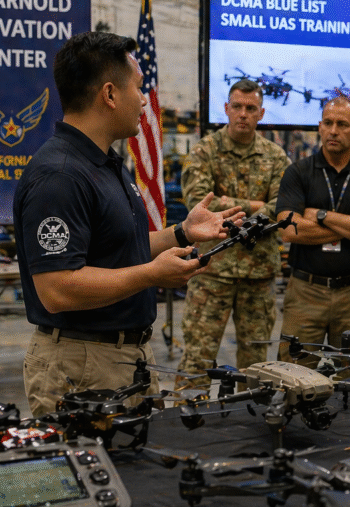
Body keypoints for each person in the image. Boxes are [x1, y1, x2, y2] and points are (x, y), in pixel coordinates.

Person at [14, 32, 242, 416]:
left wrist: (181, 233)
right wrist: (152, 275)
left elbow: (118, 246)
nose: (144, 100)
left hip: (124, 358)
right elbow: (57, 289)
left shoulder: (104, 164)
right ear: (109, 94)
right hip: (82, 365)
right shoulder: (61, 175)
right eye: (139, 88)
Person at [176, 79, 291, 385]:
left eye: (250, 108)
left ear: (261, 113)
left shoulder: (276, 157)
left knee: (256, 363)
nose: (243, 114)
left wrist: (229, 203)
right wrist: (256, 205)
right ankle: (188, 420)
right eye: (237, 107)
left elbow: (282, 207)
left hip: (258, 275)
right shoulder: (203, 152)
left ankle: (250, 423)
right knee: (197, 358)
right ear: (226, 109)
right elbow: (199, 208)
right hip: (212, 272)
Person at [276, 96, 350, 350]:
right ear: (319, 126)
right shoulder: (298, 172)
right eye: (327, 123)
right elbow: (287, 229)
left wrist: (321, 215)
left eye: (342, 124)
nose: (333, 131)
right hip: (306, 291)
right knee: (297, 373)